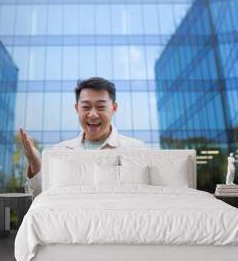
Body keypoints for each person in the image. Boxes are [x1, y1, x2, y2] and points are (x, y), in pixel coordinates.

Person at [19, 77, 147, 197]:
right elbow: (40, 197)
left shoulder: (136, 149)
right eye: (86, 107)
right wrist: (35, 164)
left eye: (100, 107)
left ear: (114, 108)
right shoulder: (59, 151)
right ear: (77, 108)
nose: (92, 114)